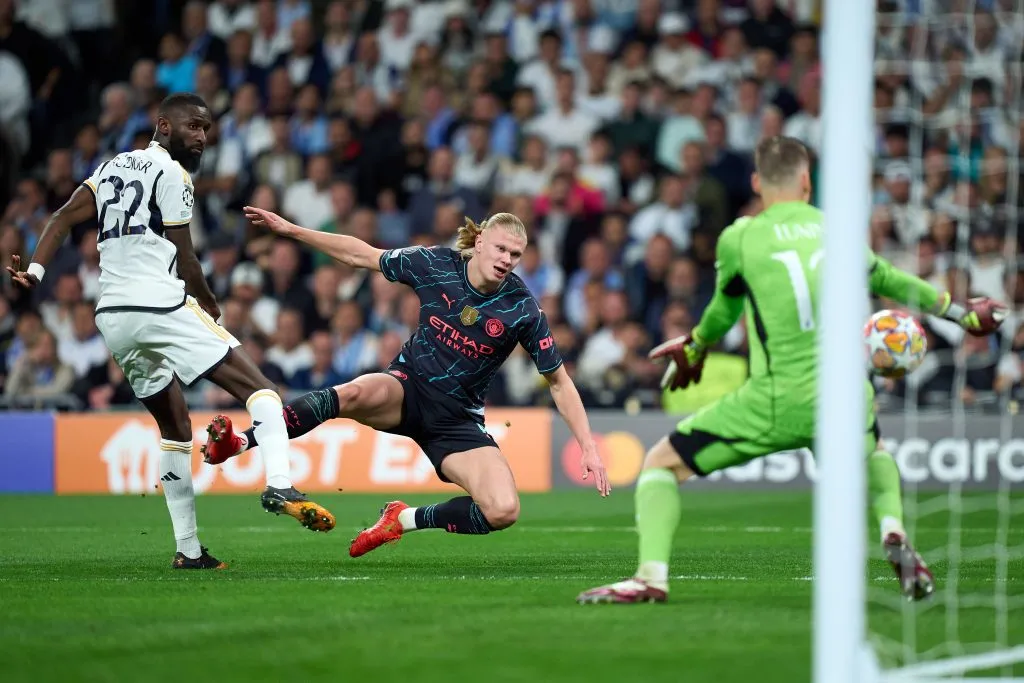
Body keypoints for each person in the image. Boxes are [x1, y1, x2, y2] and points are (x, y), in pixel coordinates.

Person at [576, 136, 1006, 604]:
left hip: (775, 400)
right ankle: (892, 527)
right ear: (806, 181)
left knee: (660, 463)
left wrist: (696, 346)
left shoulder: (741, 237)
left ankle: (651, 577)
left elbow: (723, 312)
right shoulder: (837, 230)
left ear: (758, 182)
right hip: (843, 397)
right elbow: (889, 278)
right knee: (875, 450)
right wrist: (960, 313)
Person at [6, 93, 336, 571]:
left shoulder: (112, 167)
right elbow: (185, 257)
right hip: (158, 302)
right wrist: (209, 302)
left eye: (206, 129)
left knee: (176, 428)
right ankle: (280, 483)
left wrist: (34, 273)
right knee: (261, 390)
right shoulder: (173, 175)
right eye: (193, 127)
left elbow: (61, 217)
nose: (202, 137)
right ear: (163, 126)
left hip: (113, 317)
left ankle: (189, 551)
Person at [201, 209, 611, 557]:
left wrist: (588, 447)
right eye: (501, 248)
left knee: (503, 510)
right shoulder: (433, 264)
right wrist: (293, 231)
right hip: (407, 388)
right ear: (481, 240)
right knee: (355, 391)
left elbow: (558, 381)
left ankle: (403, 518)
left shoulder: (521, 308)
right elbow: (361, 254)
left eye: (516, 255)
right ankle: (239, 442)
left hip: (457, 422)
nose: (506, 259)